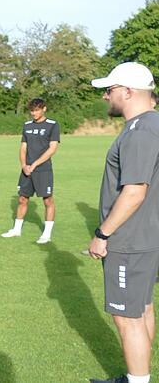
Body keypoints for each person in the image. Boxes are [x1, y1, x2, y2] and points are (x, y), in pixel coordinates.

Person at [87, 63, 159, 383]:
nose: (106, 96)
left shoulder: (139, 131)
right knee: (142, 308)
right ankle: (137, 376)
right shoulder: (153, 124)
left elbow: (134, 191)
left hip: (129, 240)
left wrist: (102, 233)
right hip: (147, 235)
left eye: (110, 90)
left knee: (127, 317)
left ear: (128, 91)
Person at [1, 98, 60, 244]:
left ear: (44, 109)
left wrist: (34, 164)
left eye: (37, 110)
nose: (34, 113)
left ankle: (46, 234)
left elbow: (52, 149)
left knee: (47, 200)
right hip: (26, 170)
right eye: (32, 111)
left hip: (43, 170)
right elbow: (23, 148)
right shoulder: (27, 126)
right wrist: (24, 165)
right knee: (22, 199)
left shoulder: (52, 125)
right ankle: (16, 230)